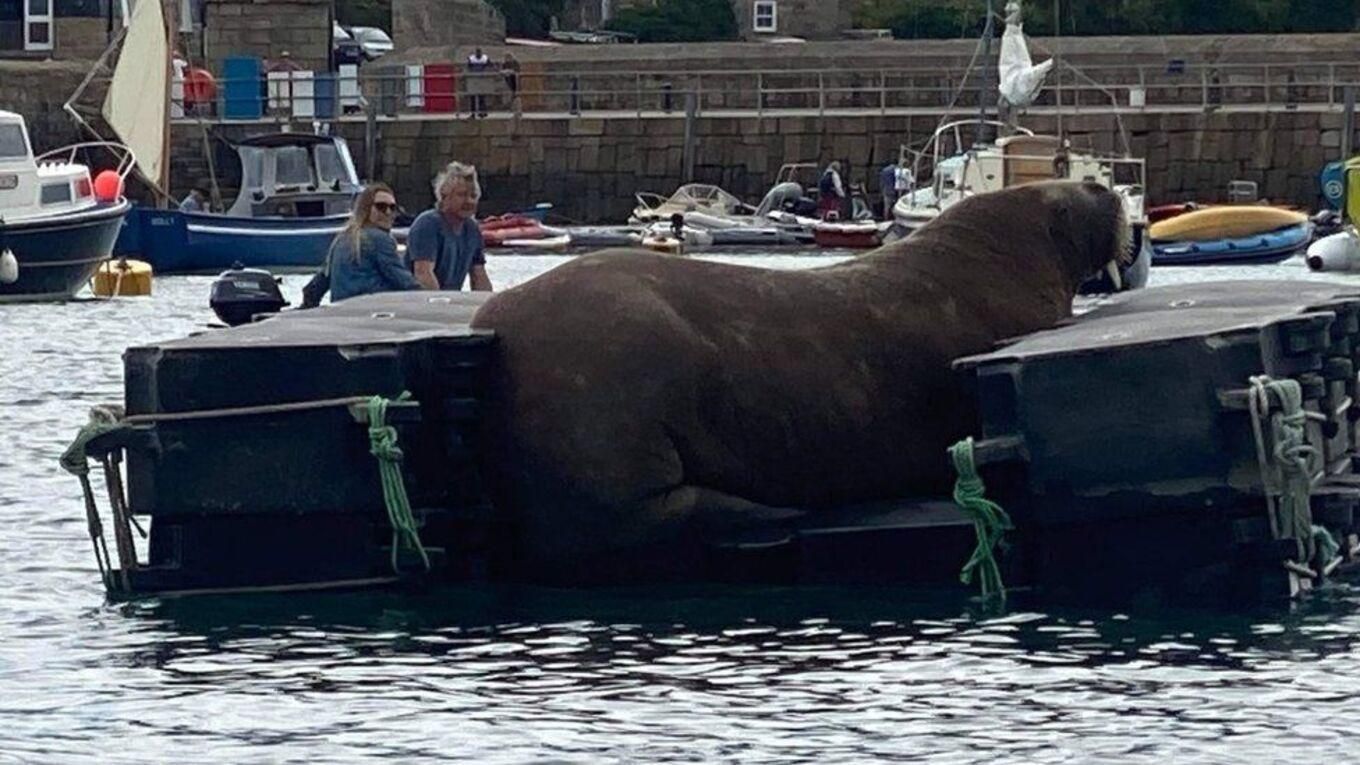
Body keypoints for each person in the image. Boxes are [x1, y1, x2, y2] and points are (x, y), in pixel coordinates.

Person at [327, 184, 424, 302]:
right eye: (381, 207)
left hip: (341, 313)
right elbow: (403, 281)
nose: (388, 212)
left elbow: (320, 282)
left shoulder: (340, 240)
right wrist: (428, 298)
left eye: (392, 207)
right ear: (366, 209)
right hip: (372, 310)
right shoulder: (380, 239)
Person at [406, 162, 493, 292]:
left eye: (473, 196)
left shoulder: (472, 229)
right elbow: (423, 274)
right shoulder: (427, 224)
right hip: (413, 300)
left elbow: (479, 275)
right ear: (444, 196)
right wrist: (440, 307)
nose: (469, 201)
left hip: (450, 298)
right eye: (462, 195)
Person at [466, 47, 491, 118]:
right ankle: (473, 113)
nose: (478, 54)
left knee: (482, 97)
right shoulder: (471, 59)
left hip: (482, 80)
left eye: (479, 53)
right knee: (472, 98)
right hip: (473, 80)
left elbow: (490, 67)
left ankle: (483, 112)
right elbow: (468, 68)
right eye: (477, 53)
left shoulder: (485, 58)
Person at [501, 53, 522, 117]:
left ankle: (518, 110)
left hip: (515, 80)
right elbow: (502, 71)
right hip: (508, 81)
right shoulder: (504, 64)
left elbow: (517, 71)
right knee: (510, 96)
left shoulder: (515, 63)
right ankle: (512, 109)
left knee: (516, 96)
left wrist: (511, 71)